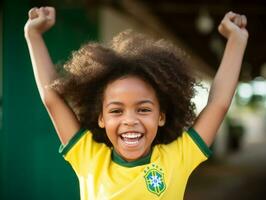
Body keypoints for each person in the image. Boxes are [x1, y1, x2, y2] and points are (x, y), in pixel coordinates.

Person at [24, 6, 248, 200]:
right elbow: (52, 98)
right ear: (101, 118)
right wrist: (33, 35)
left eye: (143, 109)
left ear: (161, 116)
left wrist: (236, 41)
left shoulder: (178, 158)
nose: (130, 120)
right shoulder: (88, 157)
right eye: (116, 110)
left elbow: (218, 103)